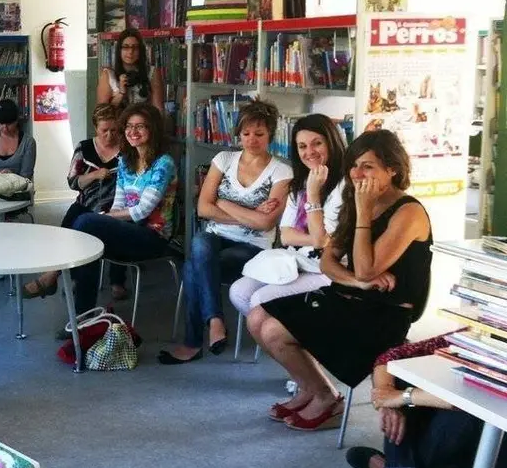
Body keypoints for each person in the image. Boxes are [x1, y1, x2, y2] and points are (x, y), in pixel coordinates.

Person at [247, 130, 432, 431]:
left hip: (383, 314)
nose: (356, 174)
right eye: (354, 165)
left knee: (274, 331)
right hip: (351, 296)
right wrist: (358, 283)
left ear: (393, 169)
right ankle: (310, 389)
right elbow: (328, 261)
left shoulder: (408, 212)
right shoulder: (357, 198)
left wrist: (362, 213)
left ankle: (326, 398)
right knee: (256, 317)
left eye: (368, 166)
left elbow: (365, 268)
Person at [160, 100, 291, 364]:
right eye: (245, 134)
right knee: (200, 242)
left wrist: (222, 202)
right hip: (215, 239)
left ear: (271, 135)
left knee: (194, 267)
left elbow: (265, 225)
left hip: (253, 248)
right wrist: (250, 215)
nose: (251, 140)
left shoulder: (281, 171)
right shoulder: (223, 160)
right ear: (238, 134)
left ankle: (195, 341)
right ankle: (216, 320)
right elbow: (202, 209)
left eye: (259, 134)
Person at [346, 333, 507, 468]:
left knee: (459, 405)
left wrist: (404, 397)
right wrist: (386, 397)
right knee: (409, 376)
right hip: (476, 439)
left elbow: (480, 399)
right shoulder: (487, 334)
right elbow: (391, 357)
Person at [228, 114, 347, 317]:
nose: (309, 152)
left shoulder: (344, 186)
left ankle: (283, 338)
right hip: (294, 260)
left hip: (328, 268)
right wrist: (317, 239)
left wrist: (313, 193)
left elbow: (321, 241)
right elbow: (286, 235)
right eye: (302, 146)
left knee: (260, 300)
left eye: (317, 143)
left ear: (332, 143)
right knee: (238, 292)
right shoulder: (300, 183)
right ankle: (279, 337)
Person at [69, 102, 178, 316]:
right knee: (89, 241)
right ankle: (83, 317)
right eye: (128, 126)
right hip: (129, 230)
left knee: (86, 222)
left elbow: (141, 211)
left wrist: (105, 217)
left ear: (152, 129)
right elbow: (119, 202)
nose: (132, 132)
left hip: (152, 236)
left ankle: (82, 314)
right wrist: (109, 217)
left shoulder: (163, 163)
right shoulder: (127, 162)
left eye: (140, 126)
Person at [23, 103, 126, 299]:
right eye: (105, 130)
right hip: (86, 203)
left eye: (114, 130)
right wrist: (95, 175)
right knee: (71, 226)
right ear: (96, 127)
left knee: (112, 224)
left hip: (116, 207)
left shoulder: (126, 149)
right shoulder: (85, 148)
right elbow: (73, 182)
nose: (110, 135)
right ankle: (59, 276)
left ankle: (116, 280)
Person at [96, 28, 164, 112]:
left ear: (140, 51)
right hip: (117, 123)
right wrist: (121, 93)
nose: (130, 52)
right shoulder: (108, 74)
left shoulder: (152, 72)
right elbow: (102, 113)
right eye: (126, 47)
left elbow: (158, 110)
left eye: (135, 48)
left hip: (143, 122)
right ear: (119, 50)